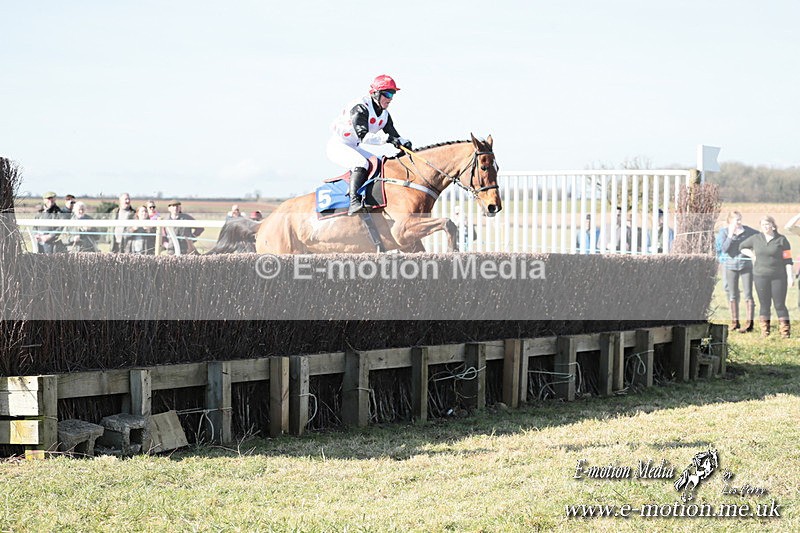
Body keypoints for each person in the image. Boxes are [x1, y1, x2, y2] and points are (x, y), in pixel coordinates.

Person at [327, 74, 412, 215]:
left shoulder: (384, 114)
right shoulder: (360, 107)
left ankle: (369, 200)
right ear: (376, 93)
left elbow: (394, 134)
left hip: (353, 146)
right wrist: (387, 139)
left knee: (378, 164)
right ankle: (353, 202)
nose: (390, 98)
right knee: (361, 163)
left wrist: (404, 142)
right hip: (338, 146)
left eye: (393, 94)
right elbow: (364, 136)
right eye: (388, 94)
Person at [739, 215, 793, 338]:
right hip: (760, 276)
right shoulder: (755, 239)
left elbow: (788, 260)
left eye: (767, 224)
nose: (765, 227)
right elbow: (742, 247)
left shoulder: (782, 240)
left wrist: (790, 277)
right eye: (763, 225)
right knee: (764, 304)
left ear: (773, 226)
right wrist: (752, 255)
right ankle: (765, 332)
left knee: (779, 305)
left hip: (779, 277)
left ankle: (785, 332)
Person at [715, 211, 757, 332]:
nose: (739, 222)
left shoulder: (747, 231)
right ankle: (735, 322)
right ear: (730, 221)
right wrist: (730, 235)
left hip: (746, 266)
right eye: (736, 220)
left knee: (748, 294)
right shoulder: (724, 232)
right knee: (732, 294)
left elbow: (760, 237)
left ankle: (749, 324)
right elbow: (724, 249)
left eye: (740, 219)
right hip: (730, 266)